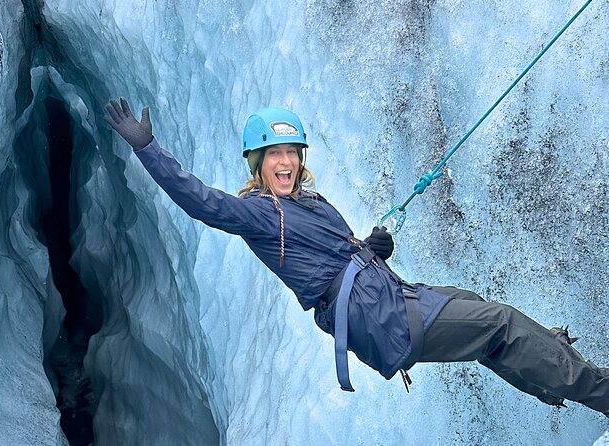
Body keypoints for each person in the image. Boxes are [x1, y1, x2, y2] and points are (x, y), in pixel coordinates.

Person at [104, 98, 609, 417]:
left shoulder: (306, 203)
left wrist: (369, 248)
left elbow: (327, 262)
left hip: (388, 299)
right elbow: (203, 204)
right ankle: (598, 391)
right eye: (273, 155)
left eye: (292, 153)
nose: (285, 162)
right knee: (498, 323)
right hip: (380, 318)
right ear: (257, 164)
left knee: (477, 311)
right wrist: (149, 150)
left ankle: (551, 374)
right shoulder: (260, 213)